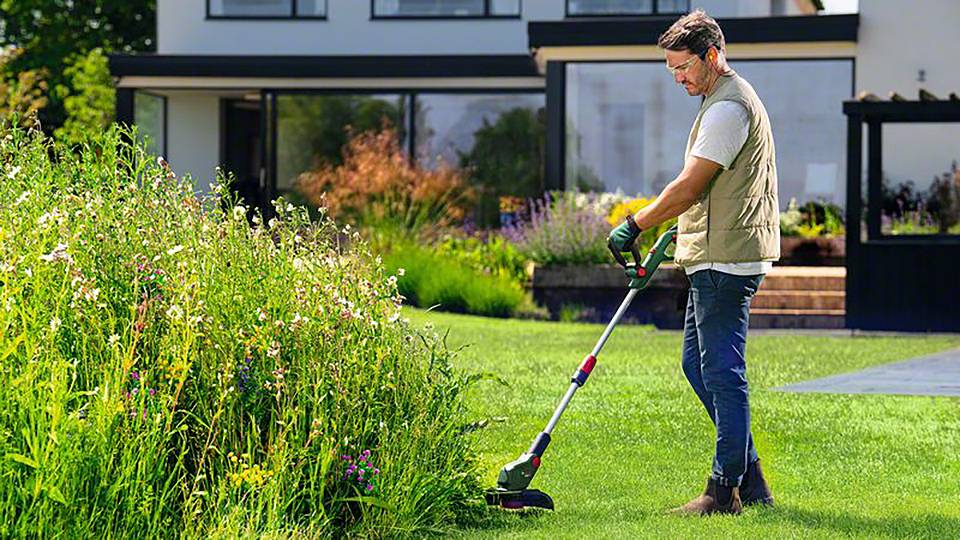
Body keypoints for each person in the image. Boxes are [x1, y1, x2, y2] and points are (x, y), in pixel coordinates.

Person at [608, 9, 780, 515]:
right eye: (671, 71)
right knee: (696, 364)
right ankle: (751, 483)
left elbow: (689, 186)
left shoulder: (728, 108)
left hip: (727, 261)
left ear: (712, 55)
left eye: (683, 67)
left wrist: (638, 223)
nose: (678, 77)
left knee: (723, 372)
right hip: (714, 254)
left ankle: (722, 489)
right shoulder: (718, 101)